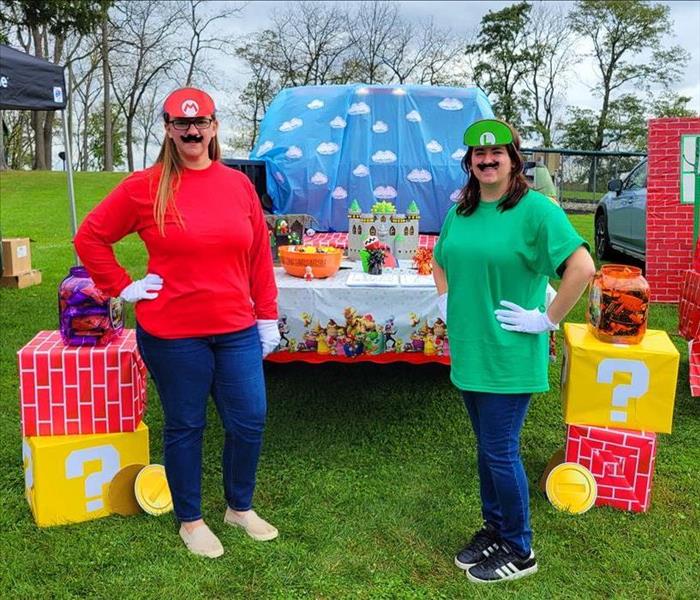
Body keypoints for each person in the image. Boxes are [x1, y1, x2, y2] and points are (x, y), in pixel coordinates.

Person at [74, 87, 281, 559]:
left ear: (214, 127)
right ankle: (190, 519)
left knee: (249, 419)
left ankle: (239, 507)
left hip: (235, 327)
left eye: (201, 122)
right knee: (186, 425)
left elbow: (257, 257)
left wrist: (267, 316)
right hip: (173, 332)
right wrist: (121, 286)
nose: (192, 131)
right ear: (168, 129)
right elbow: (91, 237)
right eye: (181, 124)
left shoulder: (238, 185)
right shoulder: (144, 186)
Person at [432, 119, 595, 583]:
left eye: (497, 153)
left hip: (510, 352)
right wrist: (446, 299)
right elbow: (441, 260)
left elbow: (581, 268)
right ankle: (495, 529)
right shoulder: (460, 211)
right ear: (470, 163)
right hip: (471, 350)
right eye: (478, 156)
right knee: (487, 450)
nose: (487, 160)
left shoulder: (536, 210)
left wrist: (547, 319)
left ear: (513, 159)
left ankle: (520, 549)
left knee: (500, 451)